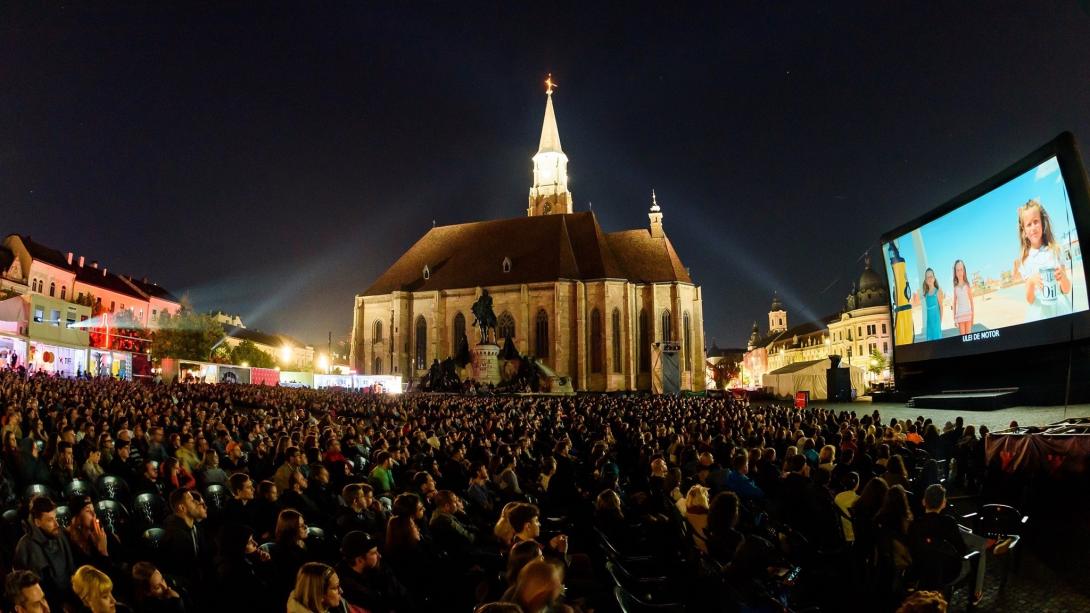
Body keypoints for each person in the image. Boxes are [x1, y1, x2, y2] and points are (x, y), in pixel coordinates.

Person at [1014, 198, 1073, 322]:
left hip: (1060, 308)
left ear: (1042, 223)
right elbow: (1030, 299)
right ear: (1024, 231)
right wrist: (1031, 281)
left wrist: (1062, 277)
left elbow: (1066, 290)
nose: (1033, 227)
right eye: (1029, 224)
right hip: (1039, 313)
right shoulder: (1025, 260)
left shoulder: (1055, 250)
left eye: (1036, 222)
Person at [13, 496, 76, 609]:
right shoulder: (26, 547)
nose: (56, 524)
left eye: (55, 518)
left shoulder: (59, 534)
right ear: (37, 522)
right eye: (50, 520)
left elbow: (71, 569)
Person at [335, 531, 411, 613]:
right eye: (374, 553)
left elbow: (402, 594)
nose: (379, 555)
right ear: (359, 560)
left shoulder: (374, 568)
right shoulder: (348, 586)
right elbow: (383, 605)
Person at [919, 268, 944, 341]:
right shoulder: (926, 294)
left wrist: (939, 323)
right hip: (929, 325)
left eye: (931, 276)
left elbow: (941, 307)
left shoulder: (938, 291)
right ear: (925, 280)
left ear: (934, 278)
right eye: (927, 277)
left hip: (936, 324)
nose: (929, 278)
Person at [951, 259, 974, 335]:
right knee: (963, 338)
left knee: (969, 338)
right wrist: (954, 318)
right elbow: (954, 304)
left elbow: (971, 302)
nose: (960, 272)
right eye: (957, 270)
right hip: (960, 316)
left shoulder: (967, 285)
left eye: (961, 269)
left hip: (968, 315)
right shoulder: (955, 288)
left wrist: (973, 316)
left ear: (964, 270)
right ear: (955, 272)